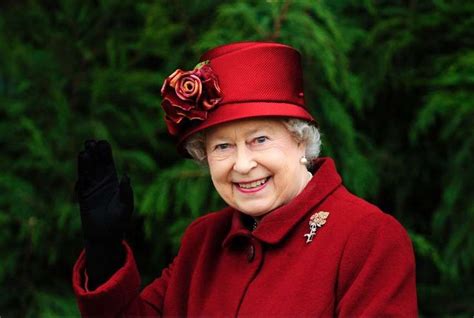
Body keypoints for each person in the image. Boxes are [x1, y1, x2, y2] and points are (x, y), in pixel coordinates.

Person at [72, 42, 418, 317]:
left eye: (260, 140)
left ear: (301, 139)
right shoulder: (203, 241)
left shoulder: (367, 236)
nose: (242, 164)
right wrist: (104, 254)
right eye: (222, 146)